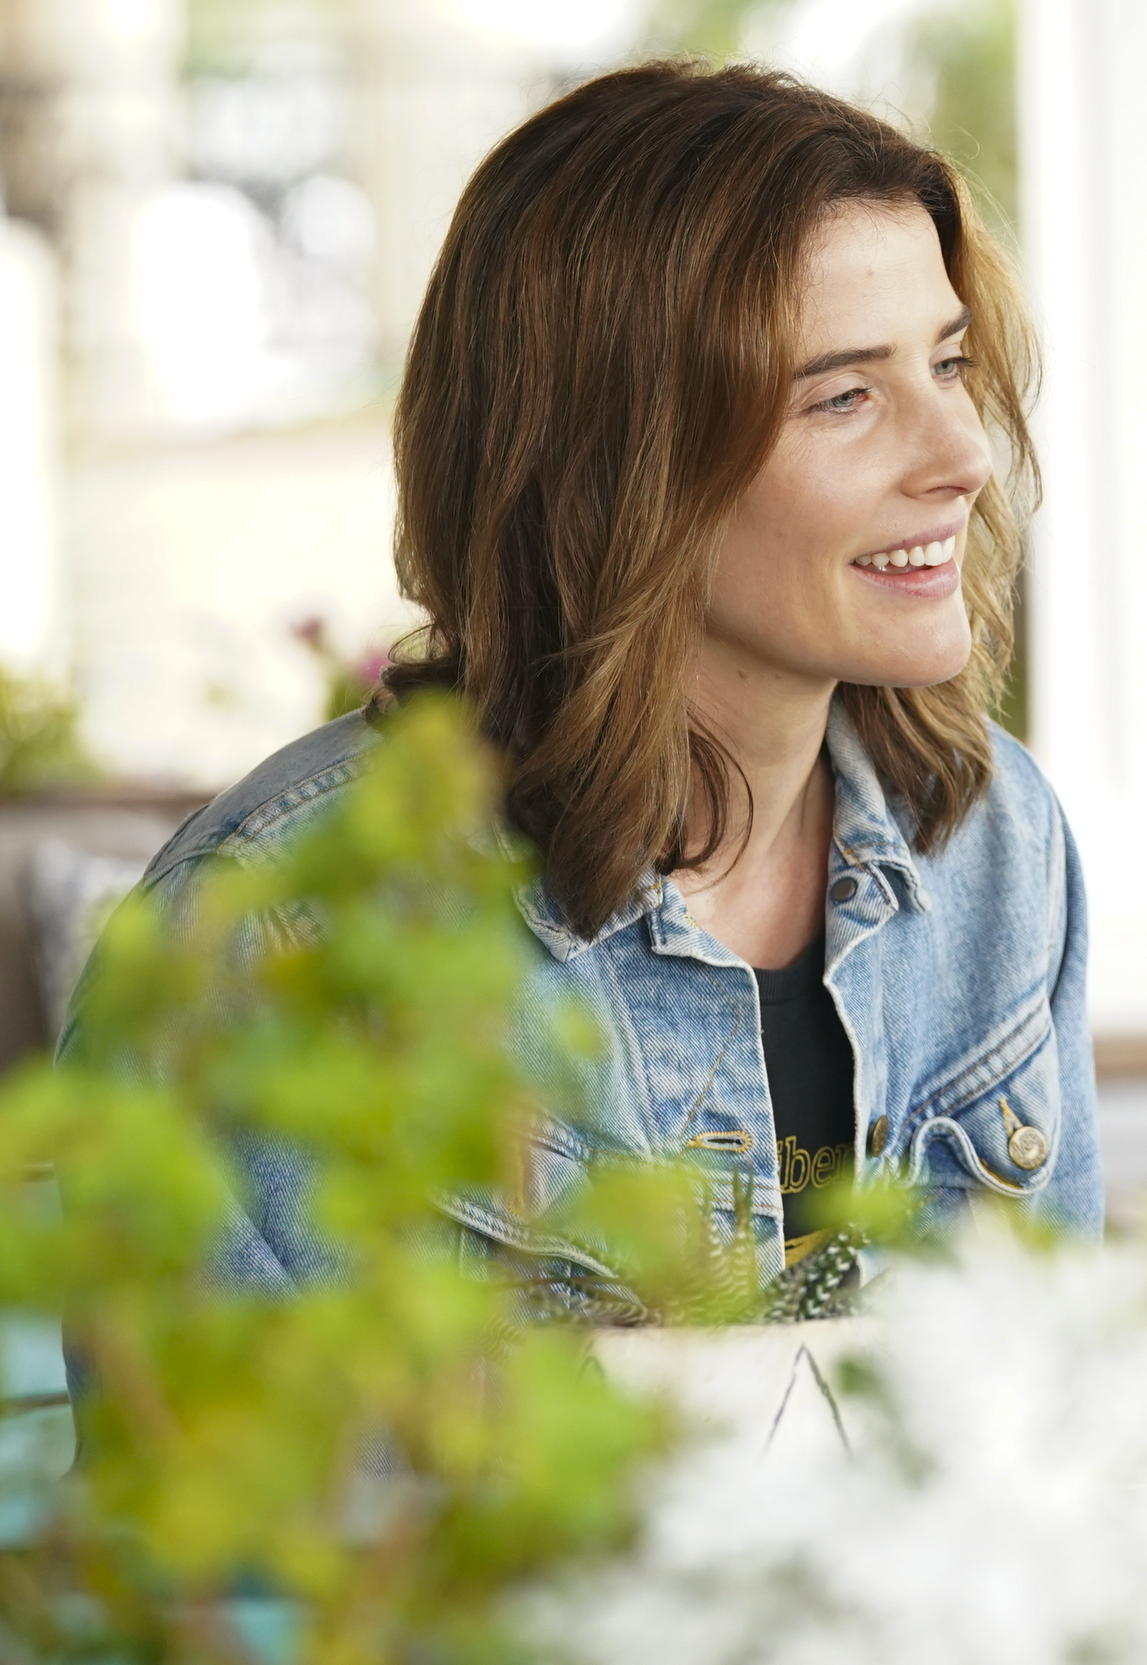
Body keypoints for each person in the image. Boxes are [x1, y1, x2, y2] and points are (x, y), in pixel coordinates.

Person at [88, 63, 1094, 1297]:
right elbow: (240, 1484)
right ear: (617, 463)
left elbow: (1060, 1409)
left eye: (947, 366)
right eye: (842, 394)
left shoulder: (997, 842)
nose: (963, 455)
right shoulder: (274, 936)